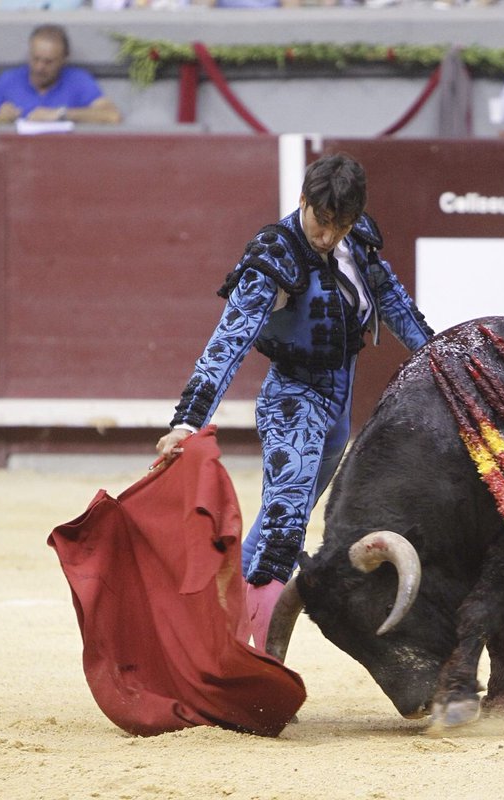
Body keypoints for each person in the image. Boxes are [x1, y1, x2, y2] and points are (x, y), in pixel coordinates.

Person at [155, 153, 433, 650]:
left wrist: (438, 362)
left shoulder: (358, 237)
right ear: (303, 201)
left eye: (340, 225)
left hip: (338, 408)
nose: (328, 236)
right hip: (294, 400)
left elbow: (393, 301)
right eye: (321, 222)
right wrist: (188, 420)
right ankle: (257, 651)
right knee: (285, 522)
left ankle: (215, 625)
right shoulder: (274, 256)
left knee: (290, 512)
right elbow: (229, 341)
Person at [0, 24, 122, 126]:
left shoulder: (78, 80)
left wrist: (61, 115)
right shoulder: (9, 80)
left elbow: (112, 116)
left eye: (48, 62)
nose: (39, 67)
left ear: (64, 59)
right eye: (35, 59)